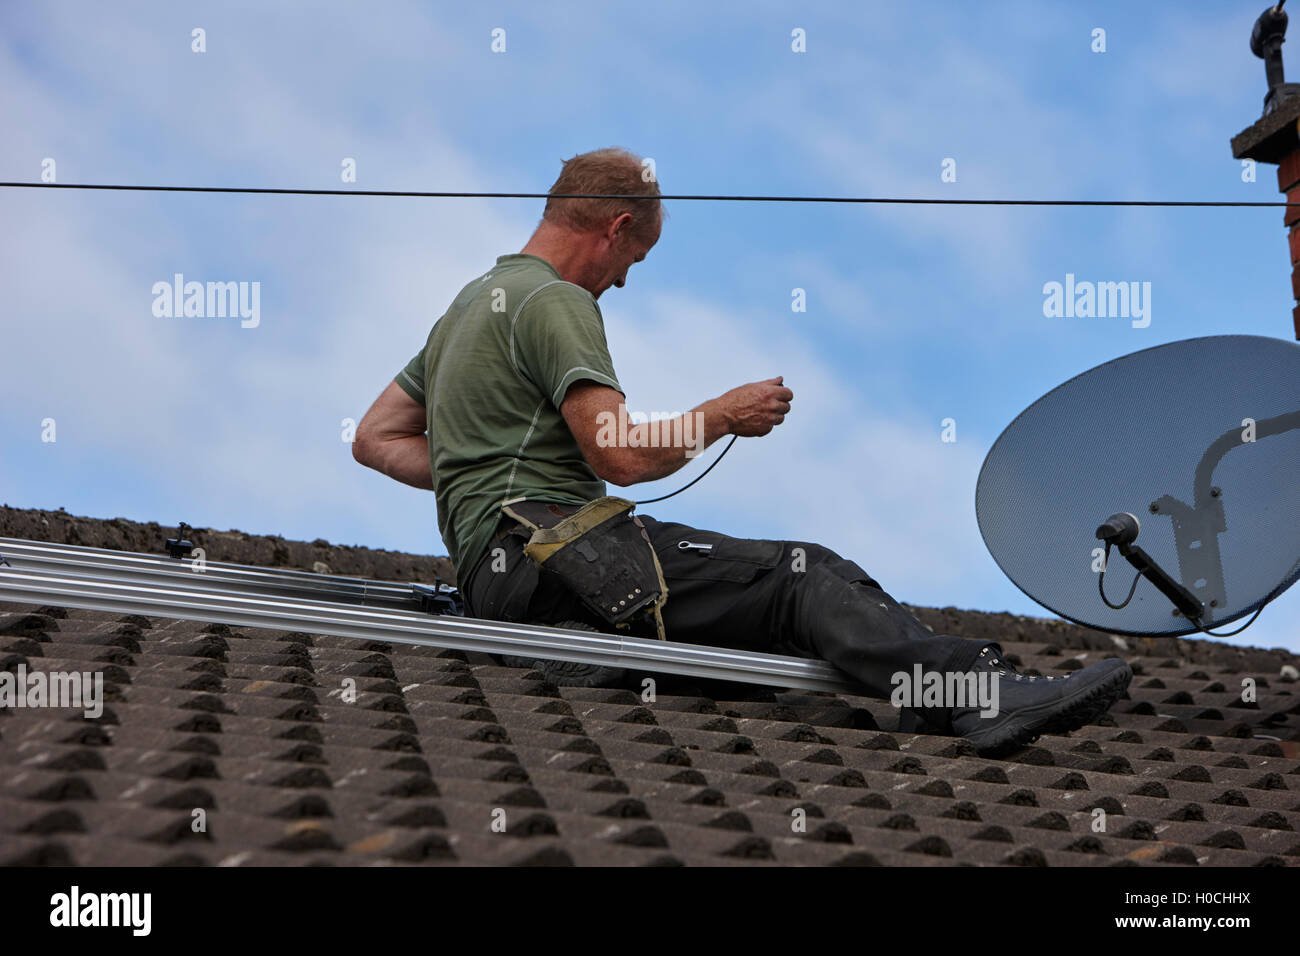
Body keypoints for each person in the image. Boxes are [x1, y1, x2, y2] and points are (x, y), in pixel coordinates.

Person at [351, 146, 1131, 756]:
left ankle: (937, 703)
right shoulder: (556, 301)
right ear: (617, 228)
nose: (621, 282)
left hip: (501, 582)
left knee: (766, 624)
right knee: (803, 578)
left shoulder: (466, 310)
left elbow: (374, 438)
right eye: (634, 260)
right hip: (566, 562)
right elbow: (620, 456)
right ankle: (979, 697)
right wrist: (721, 414)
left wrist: (479, 473)